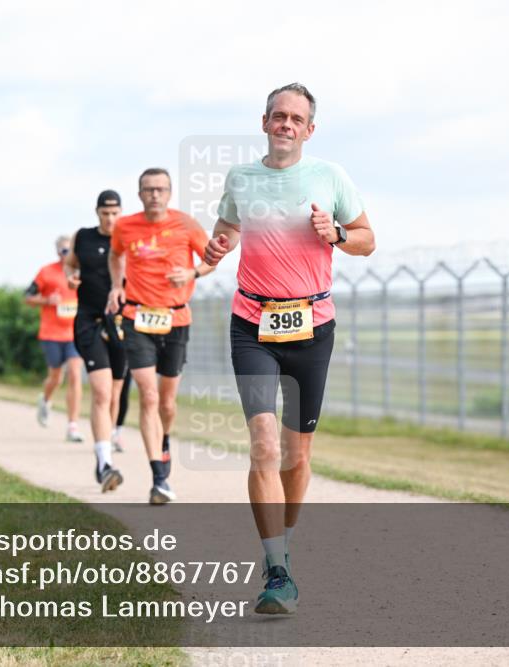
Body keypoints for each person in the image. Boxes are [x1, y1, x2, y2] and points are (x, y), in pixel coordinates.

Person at [204, 83, 375, 614]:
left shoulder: (331, 177)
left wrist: (337, 232)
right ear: (264, 122)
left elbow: (368, 239)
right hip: (251, 323)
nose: (286, 125)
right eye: (278, 116)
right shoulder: (240, 178)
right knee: (264, 445)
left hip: (311, 325)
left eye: (296, 119)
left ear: (309, 129)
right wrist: (215, 248)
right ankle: (277, 570)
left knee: (297, 456)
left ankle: (285, 535)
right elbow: (227, 227)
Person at [106, 167, 215, 504]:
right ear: (140, 194)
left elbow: (213, 257)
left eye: (161, 189)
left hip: (176, 319)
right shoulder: (125, 226)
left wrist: (193, 271)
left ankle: (164, 439)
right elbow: (115, 255)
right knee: (149, 397)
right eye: (148, 189)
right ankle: (159, 478)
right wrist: (115, 287)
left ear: (169, 193)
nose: (155, 195)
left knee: (167, 403)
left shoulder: (185, 224)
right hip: (137, 317)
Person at [65, 189, 128, 492]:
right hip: (88, 321)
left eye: (115, 213)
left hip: (122, 323)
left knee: (115, 394)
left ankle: (107, 447)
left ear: (121, 212)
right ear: (97, 212)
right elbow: (71, 263)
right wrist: (71, 275)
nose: (110, 219)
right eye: (105, 214)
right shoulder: (83, 237)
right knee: (101, 393)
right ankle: (105, 464)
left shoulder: (129, 239)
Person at [25, 236, 84, 442]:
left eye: (69, 251)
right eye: (62, 251)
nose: (65, 255)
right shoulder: (46, 272)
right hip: (51, 333)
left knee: (76, 374)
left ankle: (73, 425)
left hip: (75, 333)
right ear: (57, 252)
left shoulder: (81, 272)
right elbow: (27, 296)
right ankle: (46, 399)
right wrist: (46, 300)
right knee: (56, 377)